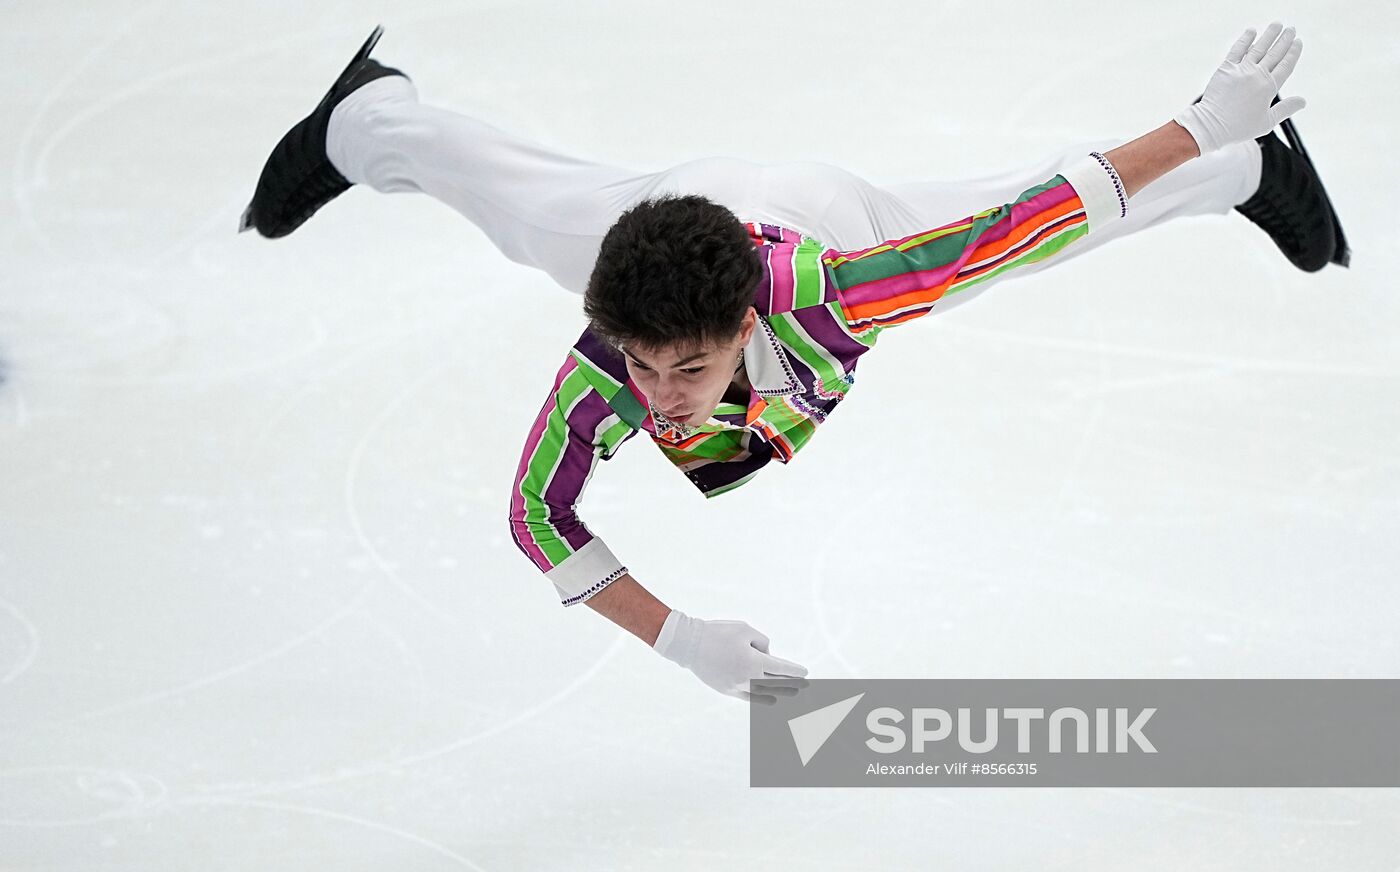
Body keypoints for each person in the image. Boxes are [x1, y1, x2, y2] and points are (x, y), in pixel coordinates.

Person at [241, 23, 1347, 703]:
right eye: (638, 368)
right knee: (523, 214)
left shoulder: (842, 289)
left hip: (815, 209)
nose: (656, 401)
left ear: (736, 330)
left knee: (1023, 233)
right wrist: (674, 639)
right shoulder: (612, 354)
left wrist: (1201, 125)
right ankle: (366, 121)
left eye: (682, 370)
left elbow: (1023, 223)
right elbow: (539, 515)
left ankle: (1244, 165)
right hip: (652, 217)